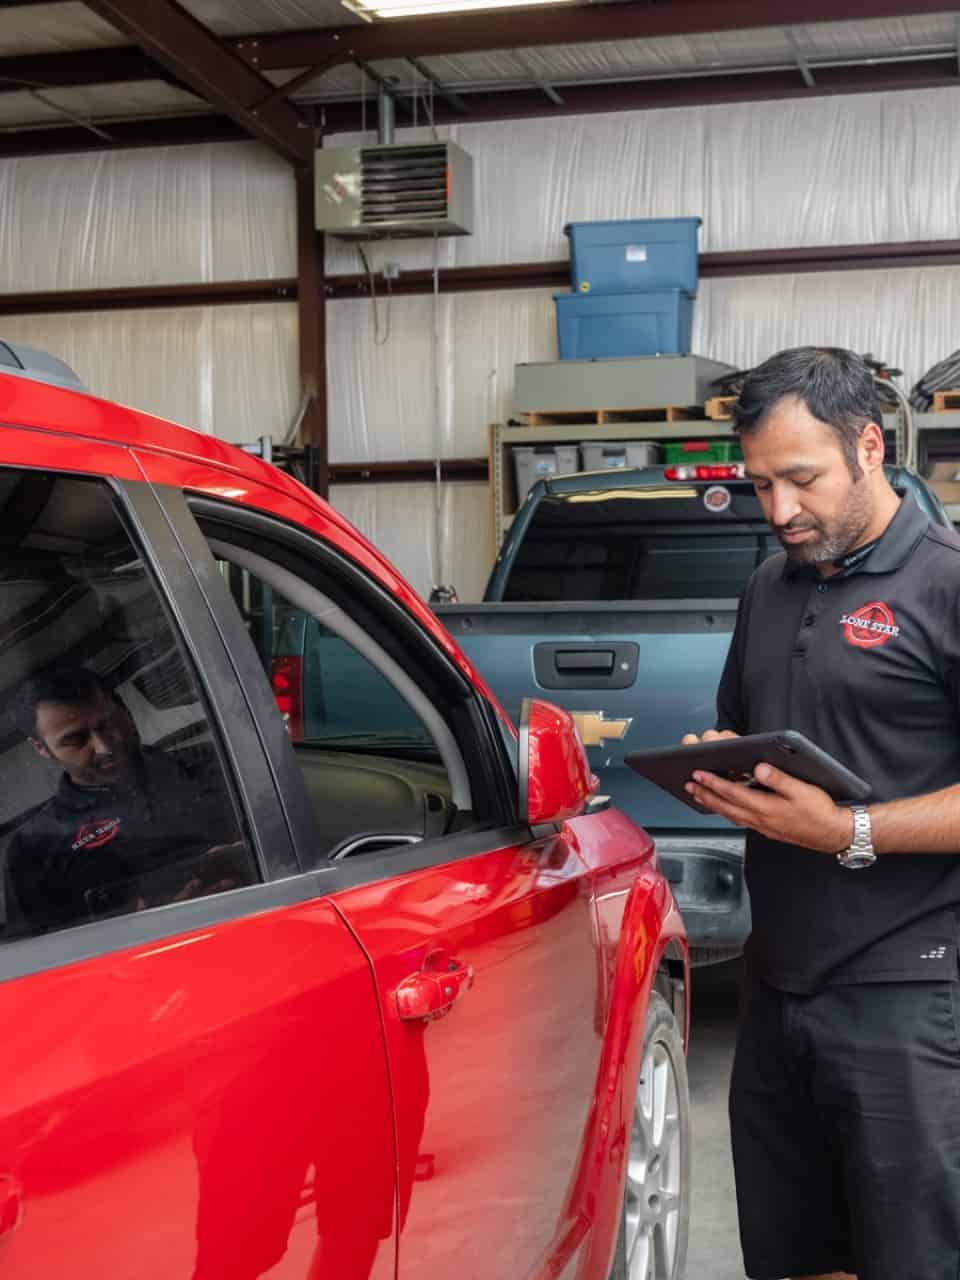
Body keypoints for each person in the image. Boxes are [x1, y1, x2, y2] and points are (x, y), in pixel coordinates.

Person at [681, 347, 960, 1280]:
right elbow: (745, 725)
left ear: (869, 446)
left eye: (801, 480)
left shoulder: (946, 582)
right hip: (777, 980)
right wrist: (719, 769)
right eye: (760, 485)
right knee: (796, 1253)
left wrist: (849, 832)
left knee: (912, 1255)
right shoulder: (769, 585)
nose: (780, 513)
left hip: (912, 989)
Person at [5, 666, 251, 935]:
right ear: (41, 748)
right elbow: (42, 959)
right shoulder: (35, 848)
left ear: (126, 712)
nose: (104, 747)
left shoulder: (218, 769)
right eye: (76, 740)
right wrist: (143, 931)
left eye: (107, 725)